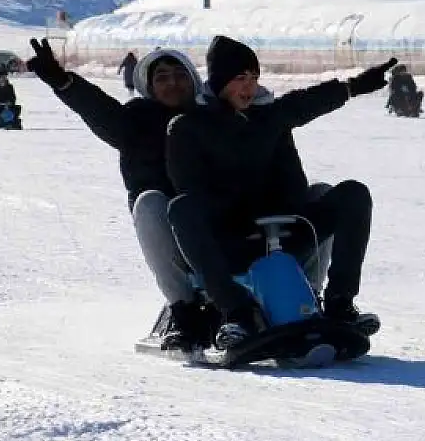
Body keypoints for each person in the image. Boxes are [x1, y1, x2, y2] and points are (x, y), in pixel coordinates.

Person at [165, 35, 396, 351]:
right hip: (230, 244)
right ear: (219, 82)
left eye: (254, 78)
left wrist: (354, 86)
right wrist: (242, 214)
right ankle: (237, 314)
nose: (249, 87)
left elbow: (306, 103)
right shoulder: (187, 127)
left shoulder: (269, 116)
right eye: (240, 78)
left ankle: (340, 303)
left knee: (353, 194)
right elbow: (190, 189)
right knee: (181, 207)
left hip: (284, 236)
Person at [26, 38, 217, 350]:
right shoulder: (135, 122)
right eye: (162, 78)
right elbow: (98, 110)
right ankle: (183, 309)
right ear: (149, 86)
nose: (173, 83)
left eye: (180, 75)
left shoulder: (214, 118)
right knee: (151, 202)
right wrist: (62, 80)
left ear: (193, 80)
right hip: (168, 229)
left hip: (218, 223)